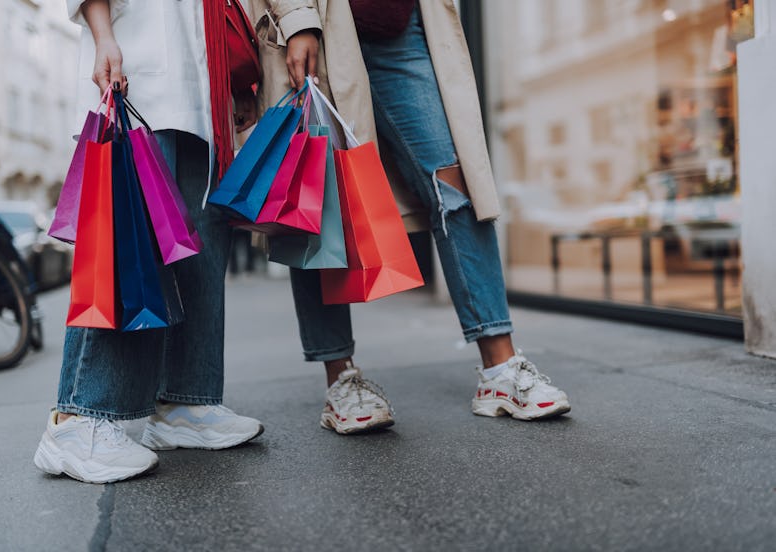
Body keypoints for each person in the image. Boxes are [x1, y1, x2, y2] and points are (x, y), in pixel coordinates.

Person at [248, 0, 570, 434]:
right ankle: (340, 377)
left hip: (403, 29)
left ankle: (500, 368)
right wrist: (297, 20)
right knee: (315, 198)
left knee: (454, 185)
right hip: (322, 23)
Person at [33, 0, 263, 484]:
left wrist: (236, 77)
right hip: (137, 65)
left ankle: (185, 400)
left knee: (200, 245)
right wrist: (102, 35)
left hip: (200, 86)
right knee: (127, 244)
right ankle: (79, 420)